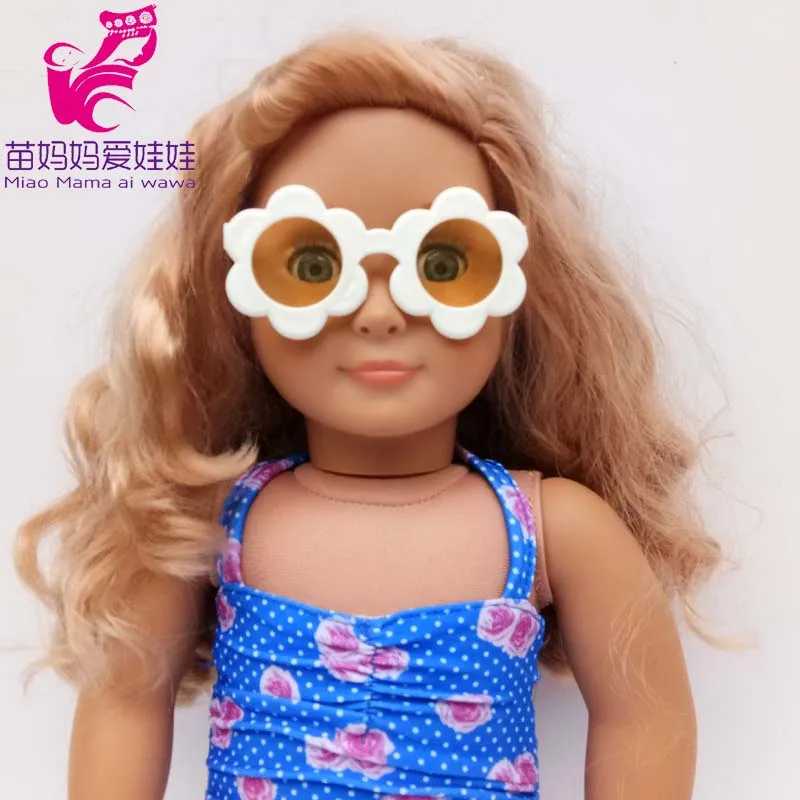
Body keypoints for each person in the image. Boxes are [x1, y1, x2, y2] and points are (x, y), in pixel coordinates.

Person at [14, 30, 722, 800]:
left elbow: (644, 720)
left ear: (522, 285)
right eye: (312, 265)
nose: (380, 313)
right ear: (232, 294)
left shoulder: (556, 530)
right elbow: (124, 703)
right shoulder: (208, 524)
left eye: (443, 263)